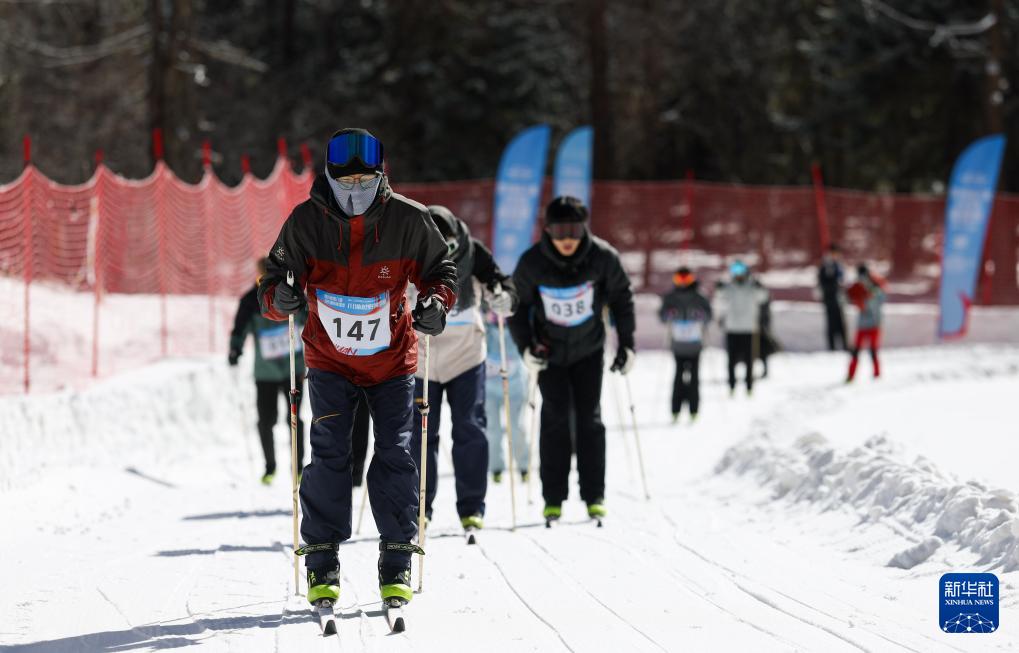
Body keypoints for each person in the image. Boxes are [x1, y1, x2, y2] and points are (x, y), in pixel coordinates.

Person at [257, 128, 457, 608]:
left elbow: (441, 271)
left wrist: (436, 303)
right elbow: (274, 280)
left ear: (380, 177)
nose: (355, 191)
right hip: (329, 360)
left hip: (391, 362)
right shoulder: (306, 221)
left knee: (395, 453)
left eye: (364, 181)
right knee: (329, 453)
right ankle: (322, 559)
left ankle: (397, 558)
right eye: (345, 183)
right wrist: (280, 298)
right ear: (329, 178)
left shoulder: (408, 219)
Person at [508, 196, 635, 524]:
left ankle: (594, 495)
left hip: (588, 351)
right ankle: (553, 498)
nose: (567, 239)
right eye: (560, 231)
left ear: (584, 229)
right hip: (549, 354)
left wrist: (627, 344)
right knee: (555, 418)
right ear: (548, 230)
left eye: (574, 231)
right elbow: (517, 307)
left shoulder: (603, 257)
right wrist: (526, 347)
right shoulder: (532, 262)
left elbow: (622, 298)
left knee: (589, 419)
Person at [410, 205, 517, 533]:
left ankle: (472, 507)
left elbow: (501, 282)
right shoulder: (407, 250)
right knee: (420, 434)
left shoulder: (472, 251)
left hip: (465, 353)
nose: (443, 251)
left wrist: (504, 298)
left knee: (469, 427)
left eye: (450, 244)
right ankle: (419, 507)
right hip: (421, 356)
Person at [228, 258, 308, 484]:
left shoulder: (291, 293)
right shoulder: (251, 300)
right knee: (267, 421)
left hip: (292, 368)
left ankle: (297, 467)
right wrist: (235, 349)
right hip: (266, 373)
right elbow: (240, 328)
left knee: (293, 419)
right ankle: (270, 467)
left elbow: (309, 317)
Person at [658, 266, 711, 423]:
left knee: (694, 378)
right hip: (678, 345)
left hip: (695, 345)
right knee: (678, 378)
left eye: (685, 279)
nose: (682, 283)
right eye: (679, 279)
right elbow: (662, 316)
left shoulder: (699, 296)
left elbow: (709, 315)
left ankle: (694, 409)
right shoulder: (670, 297)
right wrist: (670, 314)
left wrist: (700, 315)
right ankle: (676, 409)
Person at [483, 311, 530, 484]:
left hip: (514, 389)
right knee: (493, 430)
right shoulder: (486, 331)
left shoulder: (514, 330)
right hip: (490, 390)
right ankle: (496, 467)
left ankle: (523, 466)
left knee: (516, 428)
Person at [715, 260, 769, 395]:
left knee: (749, 359)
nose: (738, 274)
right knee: (731, 360)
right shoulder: (729, 287)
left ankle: (749, 385)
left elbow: (763, 298)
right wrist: (718, 287)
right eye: (735, 271)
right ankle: (731, 385)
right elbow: (719, 297)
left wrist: (760, 287)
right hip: (732, 328)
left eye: (740, 271)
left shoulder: (752, 287)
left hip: (748, 328)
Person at [846, 263, 886, 381]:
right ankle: (851, 376)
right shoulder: (857, 286)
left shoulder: (875, 285)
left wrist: (870, 294)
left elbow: (880, 300)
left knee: (872, 351)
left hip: (874, 323)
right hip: (863, 324)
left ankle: (876, 375)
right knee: (856, 351)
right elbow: (851, 299)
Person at [818, 244, 847, 350]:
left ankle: (844, 345)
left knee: (841, 323)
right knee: (831, 324)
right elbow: (822, 282)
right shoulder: (826, 266)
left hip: (839, 299)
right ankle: (832, 347)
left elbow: (842, 280)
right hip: (829, 299)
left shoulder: (838, 265)